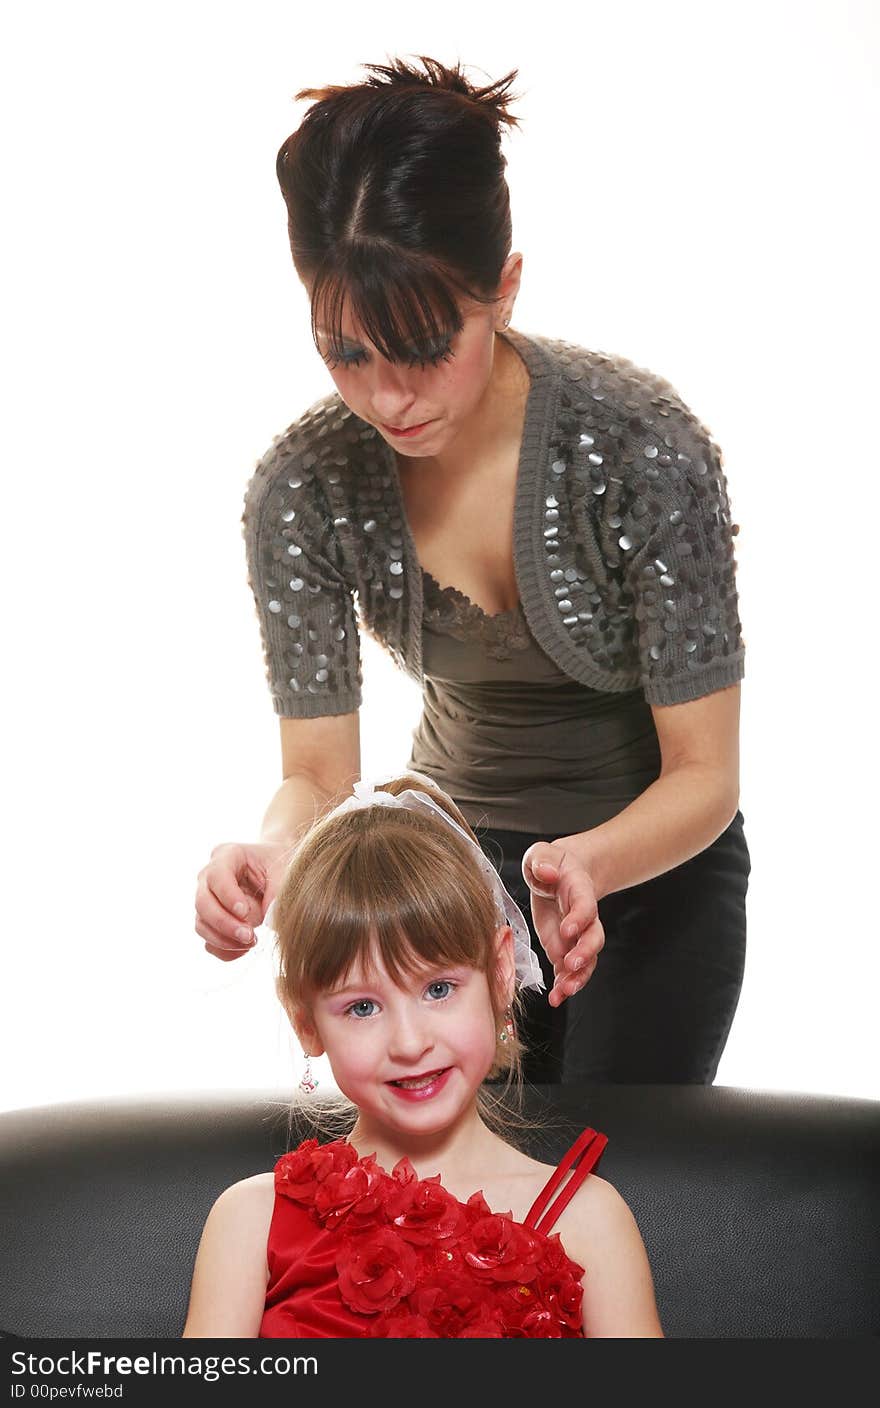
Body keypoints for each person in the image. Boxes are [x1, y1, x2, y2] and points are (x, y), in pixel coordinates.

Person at [194, 54, 751, 1084]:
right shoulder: (303, 484)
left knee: (616, 1175)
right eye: (348, 353)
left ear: (502, 289)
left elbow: (705, 776)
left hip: (654, 869)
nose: (390, 397)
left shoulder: (642, 449)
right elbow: (318, 773)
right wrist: (276, 860)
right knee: (461, 1198)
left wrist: (583, 864)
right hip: (449, 867)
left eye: (422, 344)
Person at [183, 773, 664, 1339]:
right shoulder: (250, 1221)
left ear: (501, 971)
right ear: (306, 1023)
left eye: (438, 989)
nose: (409, 1043)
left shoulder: (591, 1222)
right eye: (362, 1007)